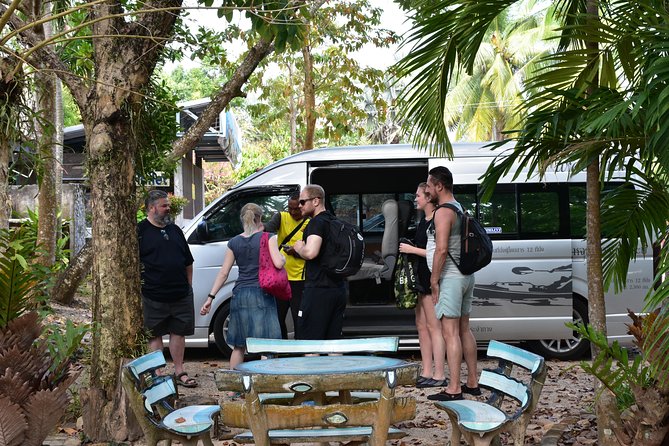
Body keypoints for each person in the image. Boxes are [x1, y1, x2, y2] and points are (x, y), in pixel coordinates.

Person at [200, 203, 284, 369]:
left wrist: (210, 297)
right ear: (259, 218)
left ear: (242, 219)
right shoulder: (269, 238)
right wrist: (284, 258)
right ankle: (263, 386)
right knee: (266, 345)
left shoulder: (234, 242)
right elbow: (278, 263)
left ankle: (233, 388)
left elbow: (223, 273)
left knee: (239, 345)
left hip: (240, 294)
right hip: (262, 294)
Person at [424, 166, 480, 401]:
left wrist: (434, 280)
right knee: (464, 329)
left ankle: (454, 388)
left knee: (450, 333)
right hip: (466, 276)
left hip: (452, 277)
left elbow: (442, 249)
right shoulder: (459, 207)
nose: (426, 190)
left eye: (428, 185)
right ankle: (472, 382)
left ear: (439, 186)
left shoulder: (443, 212)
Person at [138, 189, 197, 387]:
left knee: (178, 333)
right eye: (164, 205)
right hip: (153, 295)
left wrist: (188, 287)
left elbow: (188, 261)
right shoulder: (140, 231)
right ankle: (158, 374)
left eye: (168, 205)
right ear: (152, 208)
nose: (168, 209)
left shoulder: (175, 230)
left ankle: (180, 371)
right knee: (155, 334)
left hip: (180, 294)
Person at [399, 182, 447, 388]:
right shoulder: (422, 221)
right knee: (421, 326)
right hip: (419, 279)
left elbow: (438, 252)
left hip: (430, 279)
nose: (415, 199)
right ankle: (426, 370)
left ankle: (439, 374)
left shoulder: (437, 220)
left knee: (434, 326)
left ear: (428, 198)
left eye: (418, 195)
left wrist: (412, 250)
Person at [292, 185, 347, 340]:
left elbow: (311, 252)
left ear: (316, 201)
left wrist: (299, 248)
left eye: (302, 202)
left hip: (318, 289)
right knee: (333, 344)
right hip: (338, 289)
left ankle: (312, 366)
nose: (299, 206)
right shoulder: (334, 221)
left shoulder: (316, 223)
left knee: (310, 342)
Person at [264, 193, 309, 339]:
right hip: (280, 278)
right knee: (278, 317)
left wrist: (296, 252)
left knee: (299, 317)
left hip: (300, 278)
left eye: (296, 209)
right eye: (290, 208)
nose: (293, 212)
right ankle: (281, 349)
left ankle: (300, 350)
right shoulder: (281, 217)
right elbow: (266, 232)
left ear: (302, 206)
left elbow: (312, 251)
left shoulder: (309, 222)